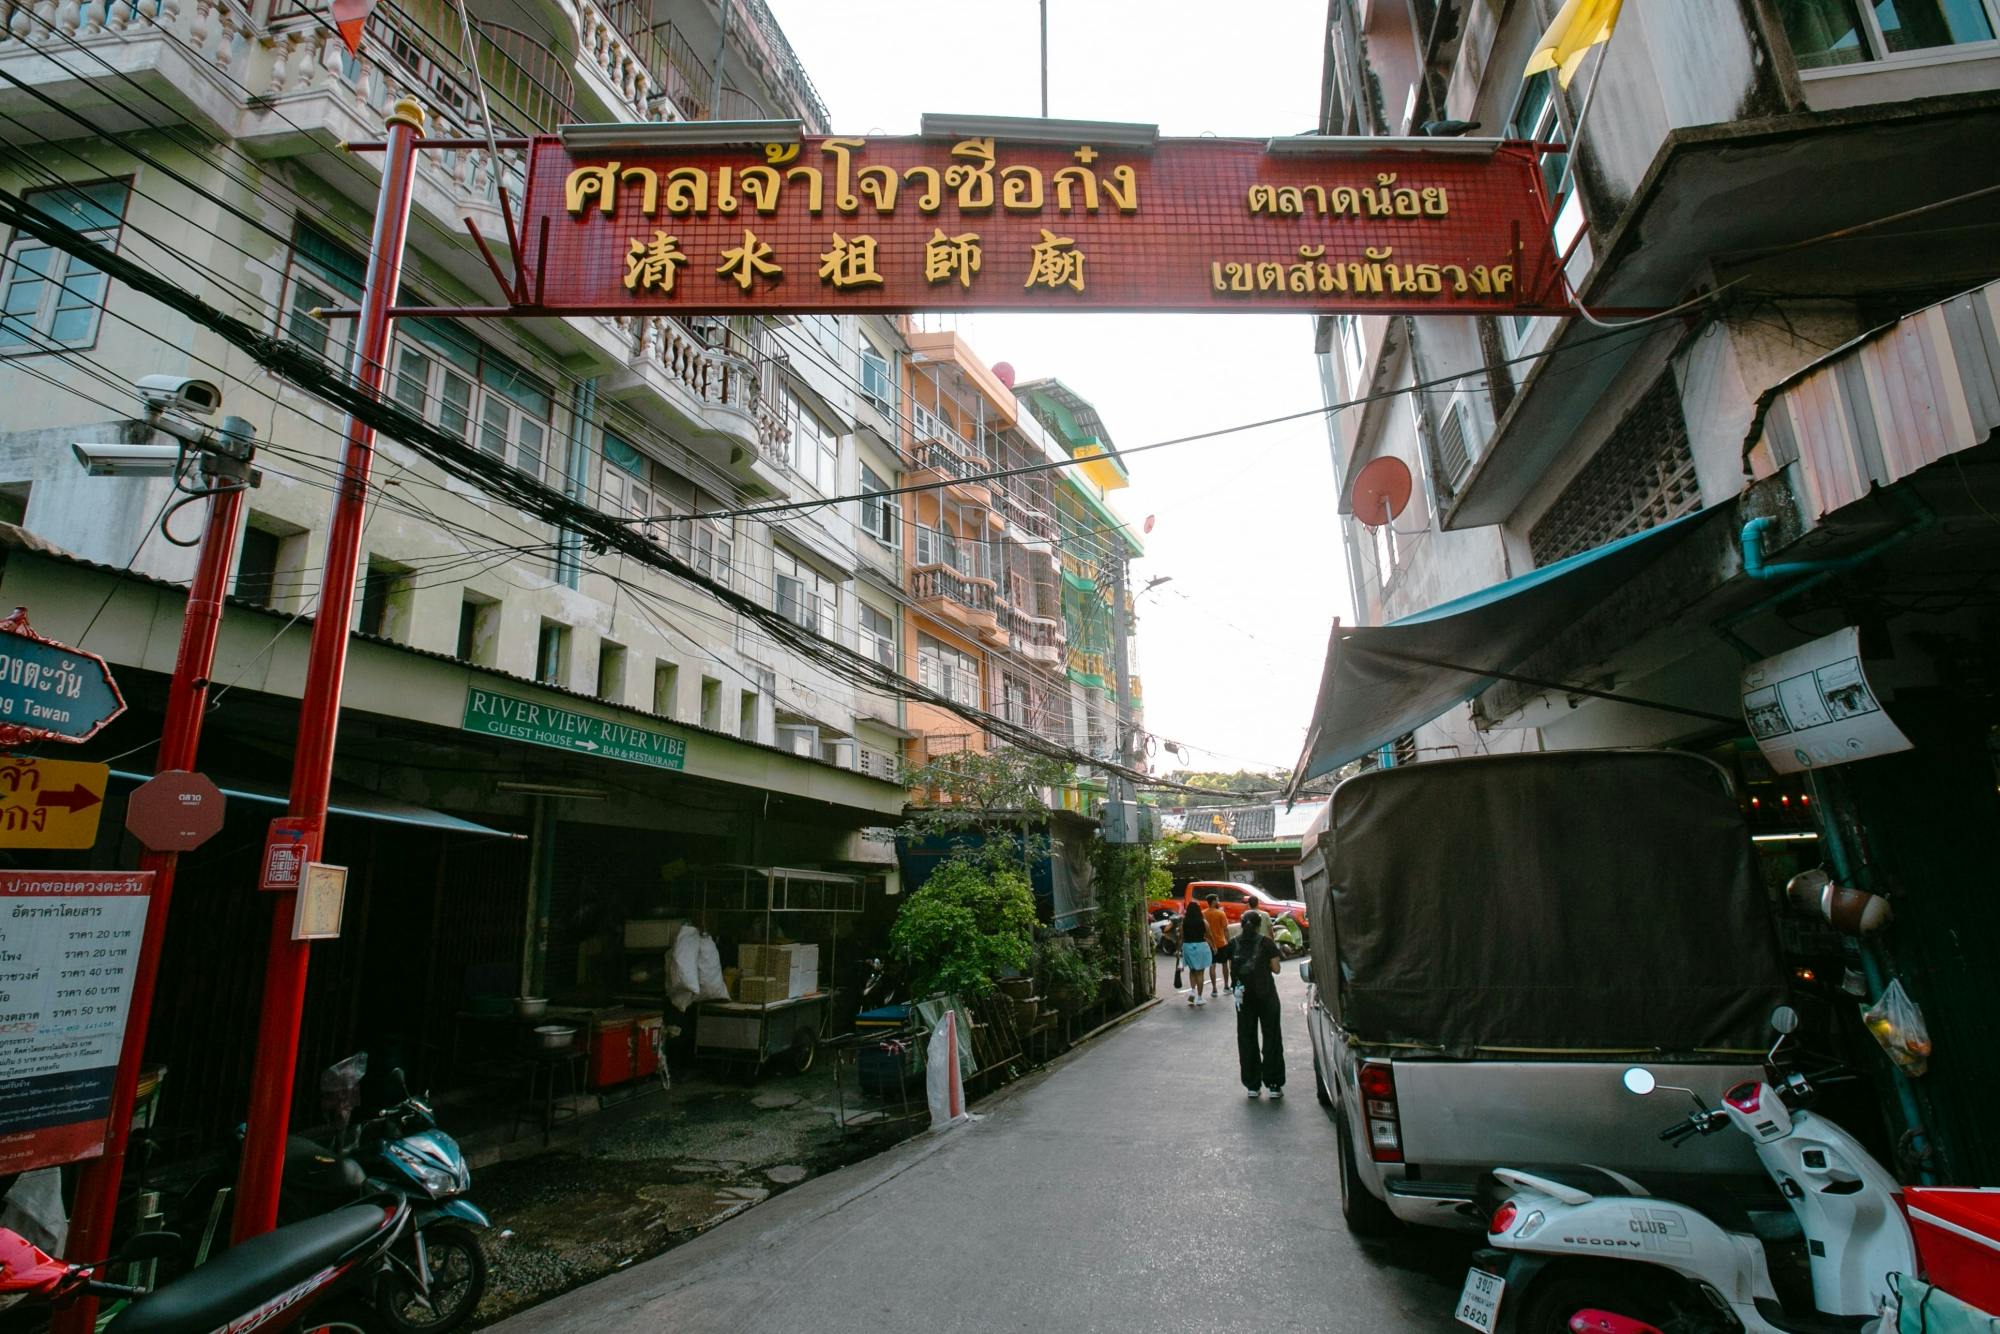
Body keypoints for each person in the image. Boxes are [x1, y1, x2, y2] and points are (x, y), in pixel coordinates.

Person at [1230, 910, 1286, 1097]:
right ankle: (1273, 1084)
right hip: (1266, 995)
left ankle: (1252, 1085)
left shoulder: (1234, 943)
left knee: (1246, 1038)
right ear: (1258, 925)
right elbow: (1276, 969)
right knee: (1271, 1036)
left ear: (1241, 924)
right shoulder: (1266, 942)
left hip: (1243, 997)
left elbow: (1231, 967)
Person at [1180, 897, 1212, 1006]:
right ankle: (1199, 997)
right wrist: (1214, 946)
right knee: (1200, 972)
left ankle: (1192, 991)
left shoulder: (1184, 922)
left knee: (1192, 970)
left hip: (1187, 947)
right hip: (1201, 946)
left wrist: (1178, 950)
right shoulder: (1203, 922)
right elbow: (1209, 935)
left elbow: (1181, 937)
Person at [1202, 895, 1230, 997]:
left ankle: (1214, 989)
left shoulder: (1203, 913)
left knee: (1212, 965)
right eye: (1217, 900)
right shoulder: (1220, 913)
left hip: (1209, 943)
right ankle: (1226, 986)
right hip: (1221, 942)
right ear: (1213, 901)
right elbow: (1225, 929)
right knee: (1224, 964)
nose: (1219, 901)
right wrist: (1228, 941)